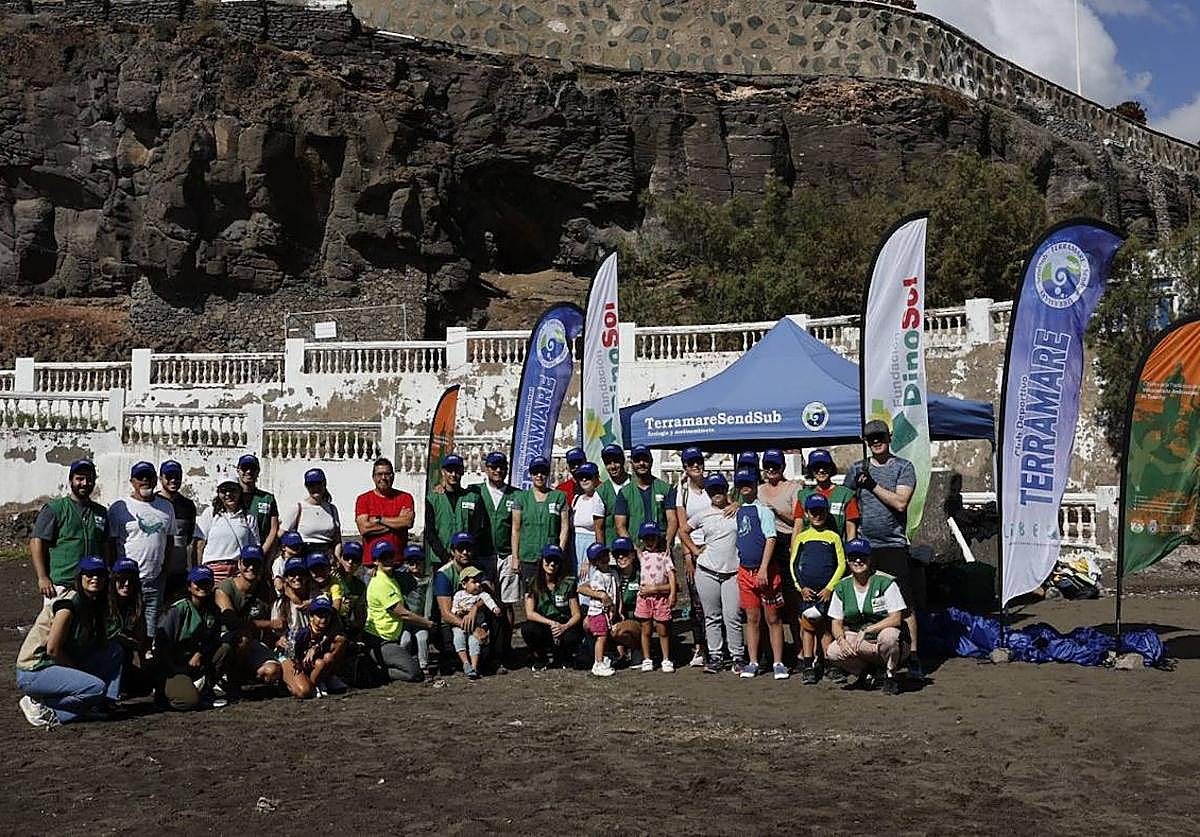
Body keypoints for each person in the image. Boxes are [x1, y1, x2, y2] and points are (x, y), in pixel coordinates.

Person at [844, 419, 922, 676]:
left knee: (904, 602)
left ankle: (912, 656)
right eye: (870, 438)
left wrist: (872, 485)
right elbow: (848, 506)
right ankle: (870, 656)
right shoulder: (857, 468)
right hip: (865, 547)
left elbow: (901, 503)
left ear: (890, 437)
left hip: (893, 544)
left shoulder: (903, 467)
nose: (876, 442)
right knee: (866, 602)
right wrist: (850, 542)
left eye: (880, 437)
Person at [16, 555, 123, 727]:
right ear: (80, 577)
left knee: (114, 650)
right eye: (89, 574)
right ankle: (47, 709)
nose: (94, 578)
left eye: (100, 574)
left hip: (59, 662)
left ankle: (102, 703)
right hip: (36, 668)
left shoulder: (93, 603)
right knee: (96, 688)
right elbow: (52, 650)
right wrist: (81, 674)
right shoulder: (68, 605)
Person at [826, 538, 909, 695]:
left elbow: (896, 618)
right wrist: (841, 640)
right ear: (847, 560)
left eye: (862, 557)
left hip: (887, 638)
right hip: (860, 640)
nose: (858, 561)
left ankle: (891, 675)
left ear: (870, 559)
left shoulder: (886, 582)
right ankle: (867, 672)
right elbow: (836, 622)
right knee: (833, 651)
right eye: (853, 557)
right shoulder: (842, 587)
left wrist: (869, 629)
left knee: (889, 637)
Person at [683, 473, 745, 675]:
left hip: (733, 571)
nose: (716, 493)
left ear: (725, 490)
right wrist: (694, 550)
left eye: (719, 489)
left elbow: (753, 503)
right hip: (707, 570)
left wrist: (737, 504)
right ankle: (716, 655)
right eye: (712, 490)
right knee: (712, 616)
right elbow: (683, 531)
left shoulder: (738, 510)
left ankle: (737, 656)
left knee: (732, 615)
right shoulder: (703, 513)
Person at [107, 461, 176, 635]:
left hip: (154, 580)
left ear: (155, 480)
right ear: (132, 481)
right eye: (140, 477)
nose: (145, 480)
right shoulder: (119, 508)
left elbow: (169, 541)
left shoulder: (167, 507)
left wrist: (164, 570)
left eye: (149, 477)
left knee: (150, 630)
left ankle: (148, 660)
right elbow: (109, 544)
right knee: (124, 628)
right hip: (126, 581)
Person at [29, 459, 109, 606]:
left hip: (91, 584)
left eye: (89, 479)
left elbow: (105, 545)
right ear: (70, 480)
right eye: (79, 479)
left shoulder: (101, 512)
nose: (85, 483)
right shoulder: (55, 509)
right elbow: (36, 541)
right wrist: (42, 577)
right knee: (56, 627)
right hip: (61, 585)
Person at [734, 468, 787, 680]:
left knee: (773, 617)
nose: (745, 487)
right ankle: (753, 660)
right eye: (741, 483)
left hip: (765, 571)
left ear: (756, 484)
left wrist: (764, 568)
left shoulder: (763, 510)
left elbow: (771, 538)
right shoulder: (737, 511)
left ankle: (778, 661)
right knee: (752, 618)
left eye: (749, 482)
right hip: (745, 571)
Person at [789, 494, 848, 685]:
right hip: (807, 592)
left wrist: (830, 588)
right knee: (808, 628)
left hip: (827, 592)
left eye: (821, 511)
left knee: (826, 629)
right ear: (806, 514)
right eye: (813, 512)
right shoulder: (802, 537)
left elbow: (841, 565)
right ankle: (808, 666)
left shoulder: (833, 537)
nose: (817, 515)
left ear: (826, 512)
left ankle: (830, 665)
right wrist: (801, 588)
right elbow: (793, 564)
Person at [155, 565, 228, 710]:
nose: (203, 587)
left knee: (225, 648)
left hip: (196, 663)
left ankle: (205, 688)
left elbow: (213, 639)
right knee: (189, 701)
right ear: (189, 586)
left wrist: (199, 653)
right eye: (198, 583)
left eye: (206, 583)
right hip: (172, 666)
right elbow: (161, 647)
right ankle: (167, 693)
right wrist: (175, 668)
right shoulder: (177, 610)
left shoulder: (213, 610)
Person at [471, 450, 519, 664]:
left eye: (501, 467)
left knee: (506, 603)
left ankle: (505, 648)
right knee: (486, 601)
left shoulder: (516, 495)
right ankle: (487, 649)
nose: (498, 470)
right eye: (493, 467)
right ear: (486, 469)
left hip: (506, 555)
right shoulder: (474, 491)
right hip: (482, 555)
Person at [214, 545, 281, 696]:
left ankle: (244, 675)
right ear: (239, 564)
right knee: (243, 637)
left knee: (273, 672)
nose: (251, 567)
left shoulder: (265, 589)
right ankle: (229, 678)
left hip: (253, 643)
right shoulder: (225, 588)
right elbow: (231, 622)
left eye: (256, 563)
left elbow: (276, 615)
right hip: (225, 641)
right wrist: (268, 625)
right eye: (247, 563)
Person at [364, 541, 434, 682]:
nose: (388, 560)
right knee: (414, 674)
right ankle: (376, 671)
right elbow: (402, 612)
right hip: (381, 640)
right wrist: (426, 622)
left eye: (390, 556)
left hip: (391, 636)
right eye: (383, 558)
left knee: (413, 648)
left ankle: (383, 663)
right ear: (376, 561)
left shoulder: (390, 576)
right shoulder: (381, 583)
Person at [756, 449, 802, 663]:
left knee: (793, 602)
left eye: (776, 465)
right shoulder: (759, 490)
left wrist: (775, 511)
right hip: (764, 545)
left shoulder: (793, 488)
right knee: (766, 602)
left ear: (783, 467)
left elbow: (797, 518)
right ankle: (769, 652)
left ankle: (802, 651)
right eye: (768, 466)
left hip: (785, 542)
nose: (772, 469)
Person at [674, 446, 713, 669]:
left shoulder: (713, 486)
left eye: (698, 462)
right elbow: (682, 525)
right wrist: (689, 554)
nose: (696, 466)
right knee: (696, 602)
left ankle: (718, 645)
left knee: (715, 601)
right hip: (693, 548)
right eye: (691, 463)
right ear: (685, 468)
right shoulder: (682, 491)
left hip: (714, 546)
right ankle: (700, 646)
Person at [510, 456, 570, 601]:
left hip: (551, 558)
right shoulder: (521, 498)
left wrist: (559, 552)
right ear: (530, 474)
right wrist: (515, 557)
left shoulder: (559, 497)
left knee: (551, 594)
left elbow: (564, 527)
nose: (539, 476)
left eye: (543, 472)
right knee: (530, 595)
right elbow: (515, 529)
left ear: (548, 474)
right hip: (528, 556)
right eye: (536, 472)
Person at [520, 545, 583, 670]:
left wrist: (564, 627)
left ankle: (564, 656)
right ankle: (540, 657)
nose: (552, 564)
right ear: (542, 560)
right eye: (548, 560)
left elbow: (576, 614)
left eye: (556, 561)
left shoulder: (568, 583)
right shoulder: (532, 582)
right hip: (544, 624)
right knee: (528, 628)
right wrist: (552, 623)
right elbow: (530, 613)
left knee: (574, 635)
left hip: (564, 624)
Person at [433, 531, 486, 674]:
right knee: (454, 655)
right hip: (453, 622)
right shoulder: (443, 574)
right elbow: (446, 613)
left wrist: (475, 607)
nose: (465, 552)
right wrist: (472, 628)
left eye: (468, 549)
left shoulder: (477, 568)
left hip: (475, 617)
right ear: (452, 551)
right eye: (460, 549)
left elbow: (489, 592)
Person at [195, 474, 260, 582]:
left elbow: (255, 545)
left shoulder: (248, 517)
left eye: (232, 490)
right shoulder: (210, 513)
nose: (228, 494)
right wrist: (198, 571)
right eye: (224, 491)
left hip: (238, 571)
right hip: (213, 571)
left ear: (239, 491)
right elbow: (199, 544)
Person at [282, 594, 348, 698]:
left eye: (327, 615)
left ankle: (319, 682)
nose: (323, 619)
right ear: (311, 616)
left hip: (311, 663)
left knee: (324, 660)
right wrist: (297, 663)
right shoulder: (303, 632)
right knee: (304, 691)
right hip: (295, 662)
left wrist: (316, 648)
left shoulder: (329, 631)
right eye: (320, 615)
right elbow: (289, 649)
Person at [107, 558, 154, 698]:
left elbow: (140, 640)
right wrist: (124, 640)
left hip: (125, 658)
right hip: (103, 654)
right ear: (114, 580)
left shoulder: (137, 605)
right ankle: (110, 696)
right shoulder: (103, 602)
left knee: (144, 687)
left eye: (131, 580)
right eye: (122, 579)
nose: (127, 584)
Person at [614, 446, 677, 549]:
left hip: (661, 548)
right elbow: (620, 525)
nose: (641, 463)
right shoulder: (624, 493)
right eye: (637, 460)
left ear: (651, 461)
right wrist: (633, 548)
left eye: (645, 459)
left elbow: (672, 520)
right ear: (631, 463)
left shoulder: (665, 488)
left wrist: (667, 544)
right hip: (636, 549)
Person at [425, 454, 481, 569]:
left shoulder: (472, 498)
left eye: (457, 471)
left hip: (466, 559)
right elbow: (430, 532)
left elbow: (478, 529)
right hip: (440, 560)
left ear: (462, 472)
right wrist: (445, 556)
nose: (453, 475)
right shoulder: (433, 499)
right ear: (443, 472)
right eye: (450, 471)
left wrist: (466, 553)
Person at [635, 522, 676, 673]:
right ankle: (647, 659)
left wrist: (672, 593)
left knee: (662, 629)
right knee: (646, 629)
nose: (650, 542)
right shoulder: (641, 555)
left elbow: (671, 575)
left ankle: (666, 659)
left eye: (653, 538)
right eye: (646, 539)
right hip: (645, 598)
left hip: (661, 598)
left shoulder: (664, 556)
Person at [355, 457, 416, 559]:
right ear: (373, 477)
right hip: (372, 564)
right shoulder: (363, 499)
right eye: (379, 474)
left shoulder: (405, 497)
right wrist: (397, 524)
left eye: (387, 474)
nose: (383, 477)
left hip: (398, 562)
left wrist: (379, 520)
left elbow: (407, 522)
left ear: (393, 476)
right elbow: (364, 528)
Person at [795, 449, 860, 541]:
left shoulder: (846, 495)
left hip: (837, 550)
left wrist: (850, 552)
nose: (821, 470)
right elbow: (798, 527)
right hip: (808, 550)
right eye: (816, 467)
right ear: (811, 470)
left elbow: (850, 530)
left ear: (831, 468)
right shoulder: (803, 495)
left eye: (825, 467)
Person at [280, 468, 343, 561]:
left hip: (327, 558)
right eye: (311, 485)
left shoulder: (332, 509)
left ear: (324, 484)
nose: (315, 488)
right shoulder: (298, 508)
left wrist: (337, 558)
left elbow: (337, 540)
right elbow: (281, 533)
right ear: (306, 486)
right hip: (304, 556)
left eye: (319, 483)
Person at [450, 566, 501, 679]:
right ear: (464, 584)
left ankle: (474, 667)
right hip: (462, 624)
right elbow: (453, 610)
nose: (478, 585)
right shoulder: (459, 595)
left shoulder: (481, 595)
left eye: (479, 581)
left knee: (474, 642)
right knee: (458, 637)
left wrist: (495, 609)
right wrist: (459, 611)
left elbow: (489, 601)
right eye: (474, 582)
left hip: (478, 625)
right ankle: (465, 663)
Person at [157, 459, 197, 604]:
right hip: (157, 573)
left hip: (179, 573)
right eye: (169, 476)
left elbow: (189, 538)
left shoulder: (188, 506)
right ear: (160, 478)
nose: (173, 480)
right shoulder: (153, 502)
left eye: (177, 476)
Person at [577, 542, 618, 677]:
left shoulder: (612, 573)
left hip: (607, 612)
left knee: (604, 636)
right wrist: (609, 609)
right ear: (595, 562)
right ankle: (598, 662)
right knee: (601, 637)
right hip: (598, 612)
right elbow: (603, 597)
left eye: (606, 555)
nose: (605, 559)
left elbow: (615, 594)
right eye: (601, 558)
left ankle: (602, 659)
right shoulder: (597, 576)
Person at [569, 462, 606, 609]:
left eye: (588, 477)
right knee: (577, 584)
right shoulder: (577, 499)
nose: (584, 480)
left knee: (588, 583)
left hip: (590, 547)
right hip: (575, 546)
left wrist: (589, 559)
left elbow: (599, 530)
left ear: (596, 478)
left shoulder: (598, 498)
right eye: (581, 477)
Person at [397, 544, 433, 677]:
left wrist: (427, 618)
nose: (415, 566)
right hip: (406, 619)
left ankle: (423, 664)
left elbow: (429, 600)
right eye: (411, 563)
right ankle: (404, 663)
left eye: (418, 562)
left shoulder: (427, 580)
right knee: (405, 640)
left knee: (423, 638)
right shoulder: (403, 577)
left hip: (420, 619)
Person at [236, 453, 279, 558]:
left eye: (253, 468)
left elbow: (273, 529)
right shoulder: (231, 498)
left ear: (258, 471)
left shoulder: (267, 498)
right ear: (238, 470)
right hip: (235, 554)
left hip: (261, 554)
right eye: (245, 468)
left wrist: (261, 553)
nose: (249, 472)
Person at [608, 537, 642, 665]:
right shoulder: (611, 573)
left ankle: (637, 648)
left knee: (618, 630)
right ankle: (619, 653)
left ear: (633, 554)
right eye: (617, 554)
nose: (621, 557)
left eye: (625, 553)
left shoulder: (641, 573)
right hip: (617, 617)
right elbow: (584, 587)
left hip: (637, 619)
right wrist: (602, 596)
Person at [272, 556, 312, 659]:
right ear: (286, 579)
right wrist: (280, 640)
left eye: (301, 573)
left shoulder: (314, 598)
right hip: (289, 648)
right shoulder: (280, 603)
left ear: (307, 577)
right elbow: (274, 634)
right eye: (292, 574)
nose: (297, 577)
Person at [596, 444, 632, 545]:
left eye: (616, 462)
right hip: (612, 549)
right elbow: (599, 528)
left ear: (622, 461)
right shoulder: (601, 492)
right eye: (608, 463)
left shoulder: (636, 484)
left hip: (637, 547)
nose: (612, 466)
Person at [330, 541, 367, 635]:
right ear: (340, 558)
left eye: (355, 560)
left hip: (345, 627)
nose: (350, 562)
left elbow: (360, 615)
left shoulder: (360, 586)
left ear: (360, 563)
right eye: (347, 558)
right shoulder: (330, 577)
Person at [272, 530, 306, 597]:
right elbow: (278, 585)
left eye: (298, 545)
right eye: (293, 545)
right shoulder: (279, 562)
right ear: (283, 547)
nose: (296, 547)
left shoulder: (301, 559)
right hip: (283, 596)